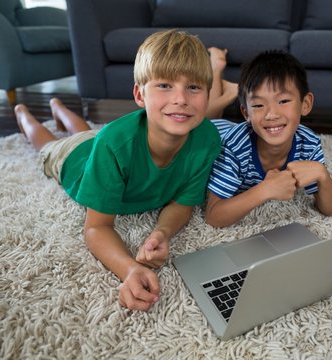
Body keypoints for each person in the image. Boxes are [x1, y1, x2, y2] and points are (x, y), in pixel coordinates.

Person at [15, 29, 225, 311]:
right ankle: (24, 115)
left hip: (102, 143)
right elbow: (96, 227)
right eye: (164, 85)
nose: (181, 99)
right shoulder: (113, 143)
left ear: (208, 94)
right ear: (140, 94)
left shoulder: (208, 139)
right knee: (50, 144)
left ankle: (59, 109)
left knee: (87, 133)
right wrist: (129, 269)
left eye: (194, 87)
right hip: (74, 161)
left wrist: (162, 232)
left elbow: (182, 203)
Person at [206, 51, 332, 228]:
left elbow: (331, 209)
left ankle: (221, 78)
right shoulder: (233, 147)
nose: (272, 114)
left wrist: (323, 175)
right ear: (246, 113)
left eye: (283, 101)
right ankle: (216, 70)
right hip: (214, 133)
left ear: (305, 104)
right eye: (258, 105)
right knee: (205, 118)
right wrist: (264, 190)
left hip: (230, 128)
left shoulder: (308, 142)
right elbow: (213, 217)